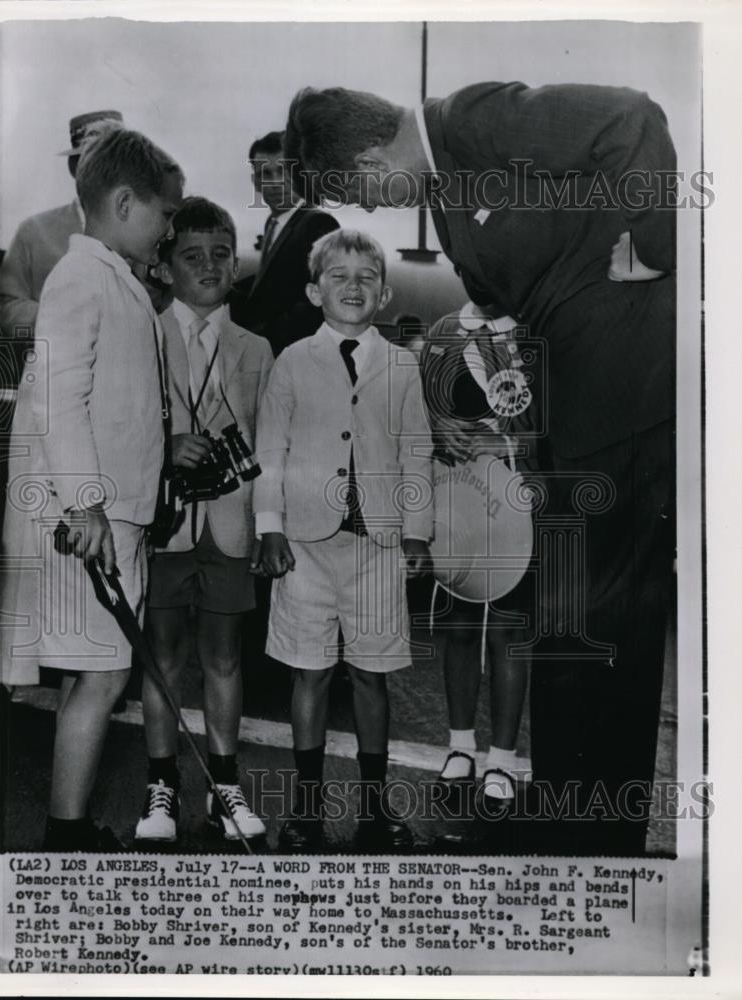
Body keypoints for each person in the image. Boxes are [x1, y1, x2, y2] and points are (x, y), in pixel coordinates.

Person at [285, 82, 676, 855]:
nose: (371, 205)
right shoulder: (447, 194)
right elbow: (503, 305)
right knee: (571, 632)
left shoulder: (477, 119)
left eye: (356, 191)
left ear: (368, 159)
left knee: (603, 631)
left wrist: (655, 249)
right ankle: (569, 816)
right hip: (575, 413)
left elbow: (632, 116)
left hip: (627, 398)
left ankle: (594, 834)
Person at [0, 128, 184, 851]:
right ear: (125, 201)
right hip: (91, 520)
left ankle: (66, 826)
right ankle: (64, 832)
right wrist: (86, 503)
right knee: (103, 680)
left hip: (112, 515)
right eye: (166, 216)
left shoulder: (113, 275)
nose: (170, 229)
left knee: (96, 678)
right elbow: (58, 397)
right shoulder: (82, 277)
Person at [253, 229, 433, 852]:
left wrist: (416, 531)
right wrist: (268, 527)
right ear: (313, 290)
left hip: (378, 545)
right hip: (304, 545)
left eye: (365, 277)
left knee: (371, 675)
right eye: (338, 275)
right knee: (309, 675)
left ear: (383, 294)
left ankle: (375, 810)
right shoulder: (292, 361)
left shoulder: (403, 364)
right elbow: (269, 453)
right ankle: (305, 810)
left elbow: (416, 452)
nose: (352, 286)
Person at [134, 197, 273, 845]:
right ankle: (161, 787)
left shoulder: (257, 346)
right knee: (161, 659)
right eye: (193, 257)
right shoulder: (143, 333)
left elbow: (268, 448)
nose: (211, 266)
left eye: (222, 253)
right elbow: (126, 426)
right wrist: (167, 447)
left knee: (224, 658)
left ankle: (225, 787)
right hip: (162, 524)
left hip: (229, 524)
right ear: (164, 267)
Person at [420, 304, 537, 826]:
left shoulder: (536, 326)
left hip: (516, 495)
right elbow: (417, 409)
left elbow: (561, 420)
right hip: (458, 492)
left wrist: (507, 442)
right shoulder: (444, 332)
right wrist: (437, 428)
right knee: (461, 620)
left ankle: (505, 759)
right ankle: (461, 746)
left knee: (509, 626)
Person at [0, 110, 124, 370]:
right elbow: (6, 309)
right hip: (53, 375)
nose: (105, 175)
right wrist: (64, 317)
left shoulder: (146, 231)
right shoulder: (33, 231)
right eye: (93, 163)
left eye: (117, 164)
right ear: (74, 168)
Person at [228, 130, 338, 355]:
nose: (276, 182)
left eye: (284, 171)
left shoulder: (318, 223)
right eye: (266, 174)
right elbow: (275, 282)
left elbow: (318, 303)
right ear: (256, 182)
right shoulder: (274, 223)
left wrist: (260, 340)